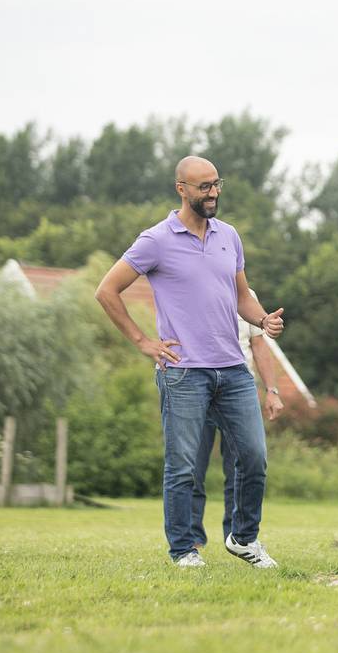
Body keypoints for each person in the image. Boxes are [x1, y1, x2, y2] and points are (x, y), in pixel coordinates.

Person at [94, 156, 284, 568]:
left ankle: (243, 538)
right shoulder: (156, 240)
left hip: (232, 370)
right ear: (181, 188)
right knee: (182, 468)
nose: (213, 193)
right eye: (204, 187)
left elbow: (241, 296)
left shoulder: (229, 236)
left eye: (217, 185)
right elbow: (107, 290)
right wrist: (143, 341)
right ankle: (183, 550)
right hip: (183, 373)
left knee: (253, 458)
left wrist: (261, 319)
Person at [190, 289, 285, 553]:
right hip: (200, 386)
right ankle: (192, 536)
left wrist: (272, 391)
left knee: (242, 466)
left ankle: (237, 537)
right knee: (192, 467)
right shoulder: (193, 286)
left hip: (237, 391)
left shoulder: (247, 295)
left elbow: (259, 346)